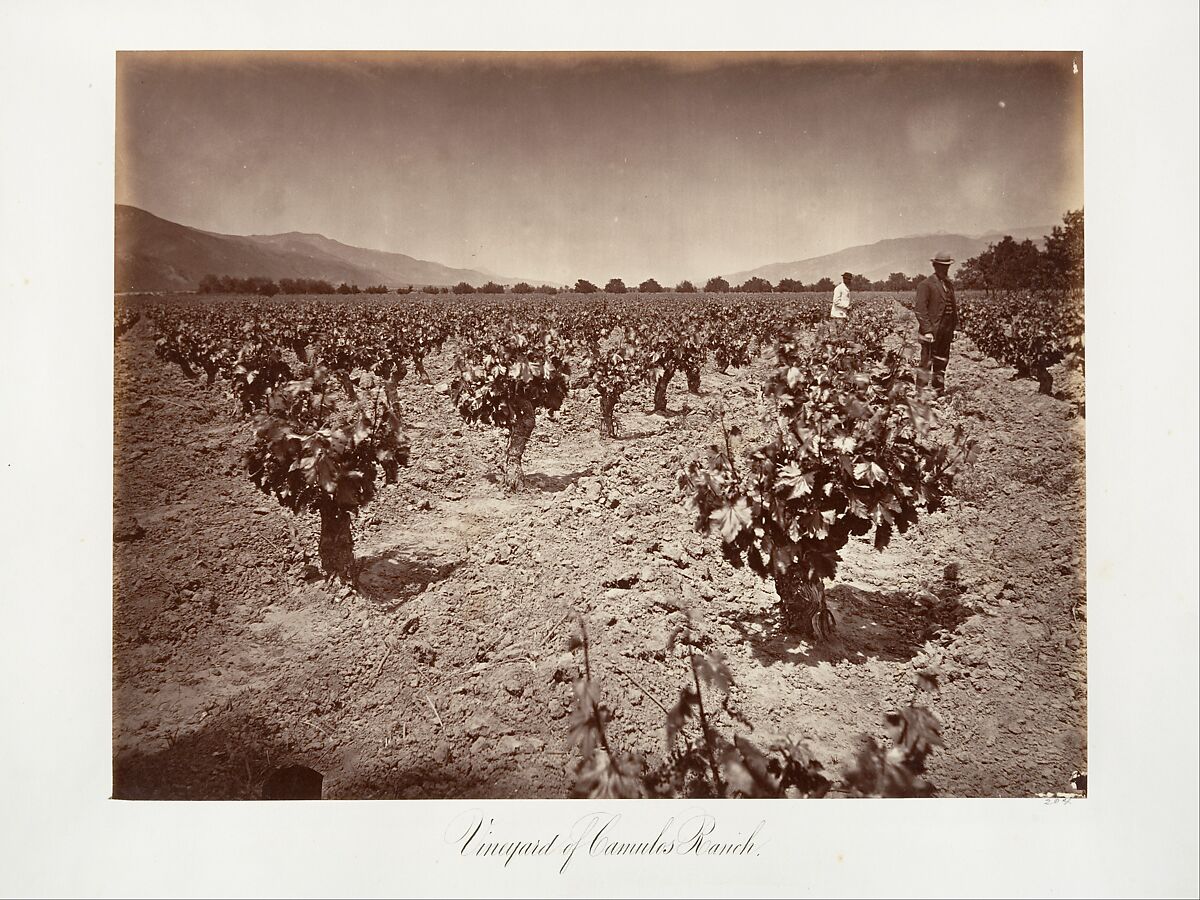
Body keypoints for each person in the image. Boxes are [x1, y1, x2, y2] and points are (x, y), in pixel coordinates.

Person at [914, 250, 958, 394]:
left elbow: (953, 308)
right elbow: (920, 309)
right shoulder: (925, 285)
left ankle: (938, 390)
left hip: (946, 330)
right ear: (935, 266)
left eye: (947, 266)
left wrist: (954, 328)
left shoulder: (949, 285)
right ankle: (921, 392)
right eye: (941, 266)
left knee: (942, 360)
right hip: (931, 330)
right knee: (926, 361)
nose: (945, 269)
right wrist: (927, 330)